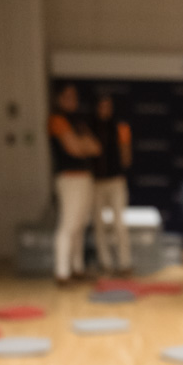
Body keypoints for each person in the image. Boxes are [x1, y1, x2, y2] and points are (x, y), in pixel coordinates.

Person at [48, 84, 101, 287]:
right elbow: (74, 148)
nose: (73, 101)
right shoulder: (57, 120)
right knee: (68, 225)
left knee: (80, 226)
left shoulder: (78, 122)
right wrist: (82, 144)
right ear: (59, 99)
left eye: (75, 97)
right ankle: (62, 273)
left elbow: (96, 147)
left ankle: (77, 269)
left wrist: (82, 144)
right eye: (68, 96)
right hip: (69, 178)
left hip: (85, 177)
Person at [90, 94, 133, 277]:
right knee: (98, 224)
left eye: (108, 106)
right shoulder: (90, 128)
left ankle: (125, 263)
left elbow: (126, 157)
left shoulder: (120, 127)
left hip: (115, 181)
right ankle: (105, 263)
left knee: (119, 223)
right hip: (96, 183)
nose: (105, 110)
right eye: (102, 106)